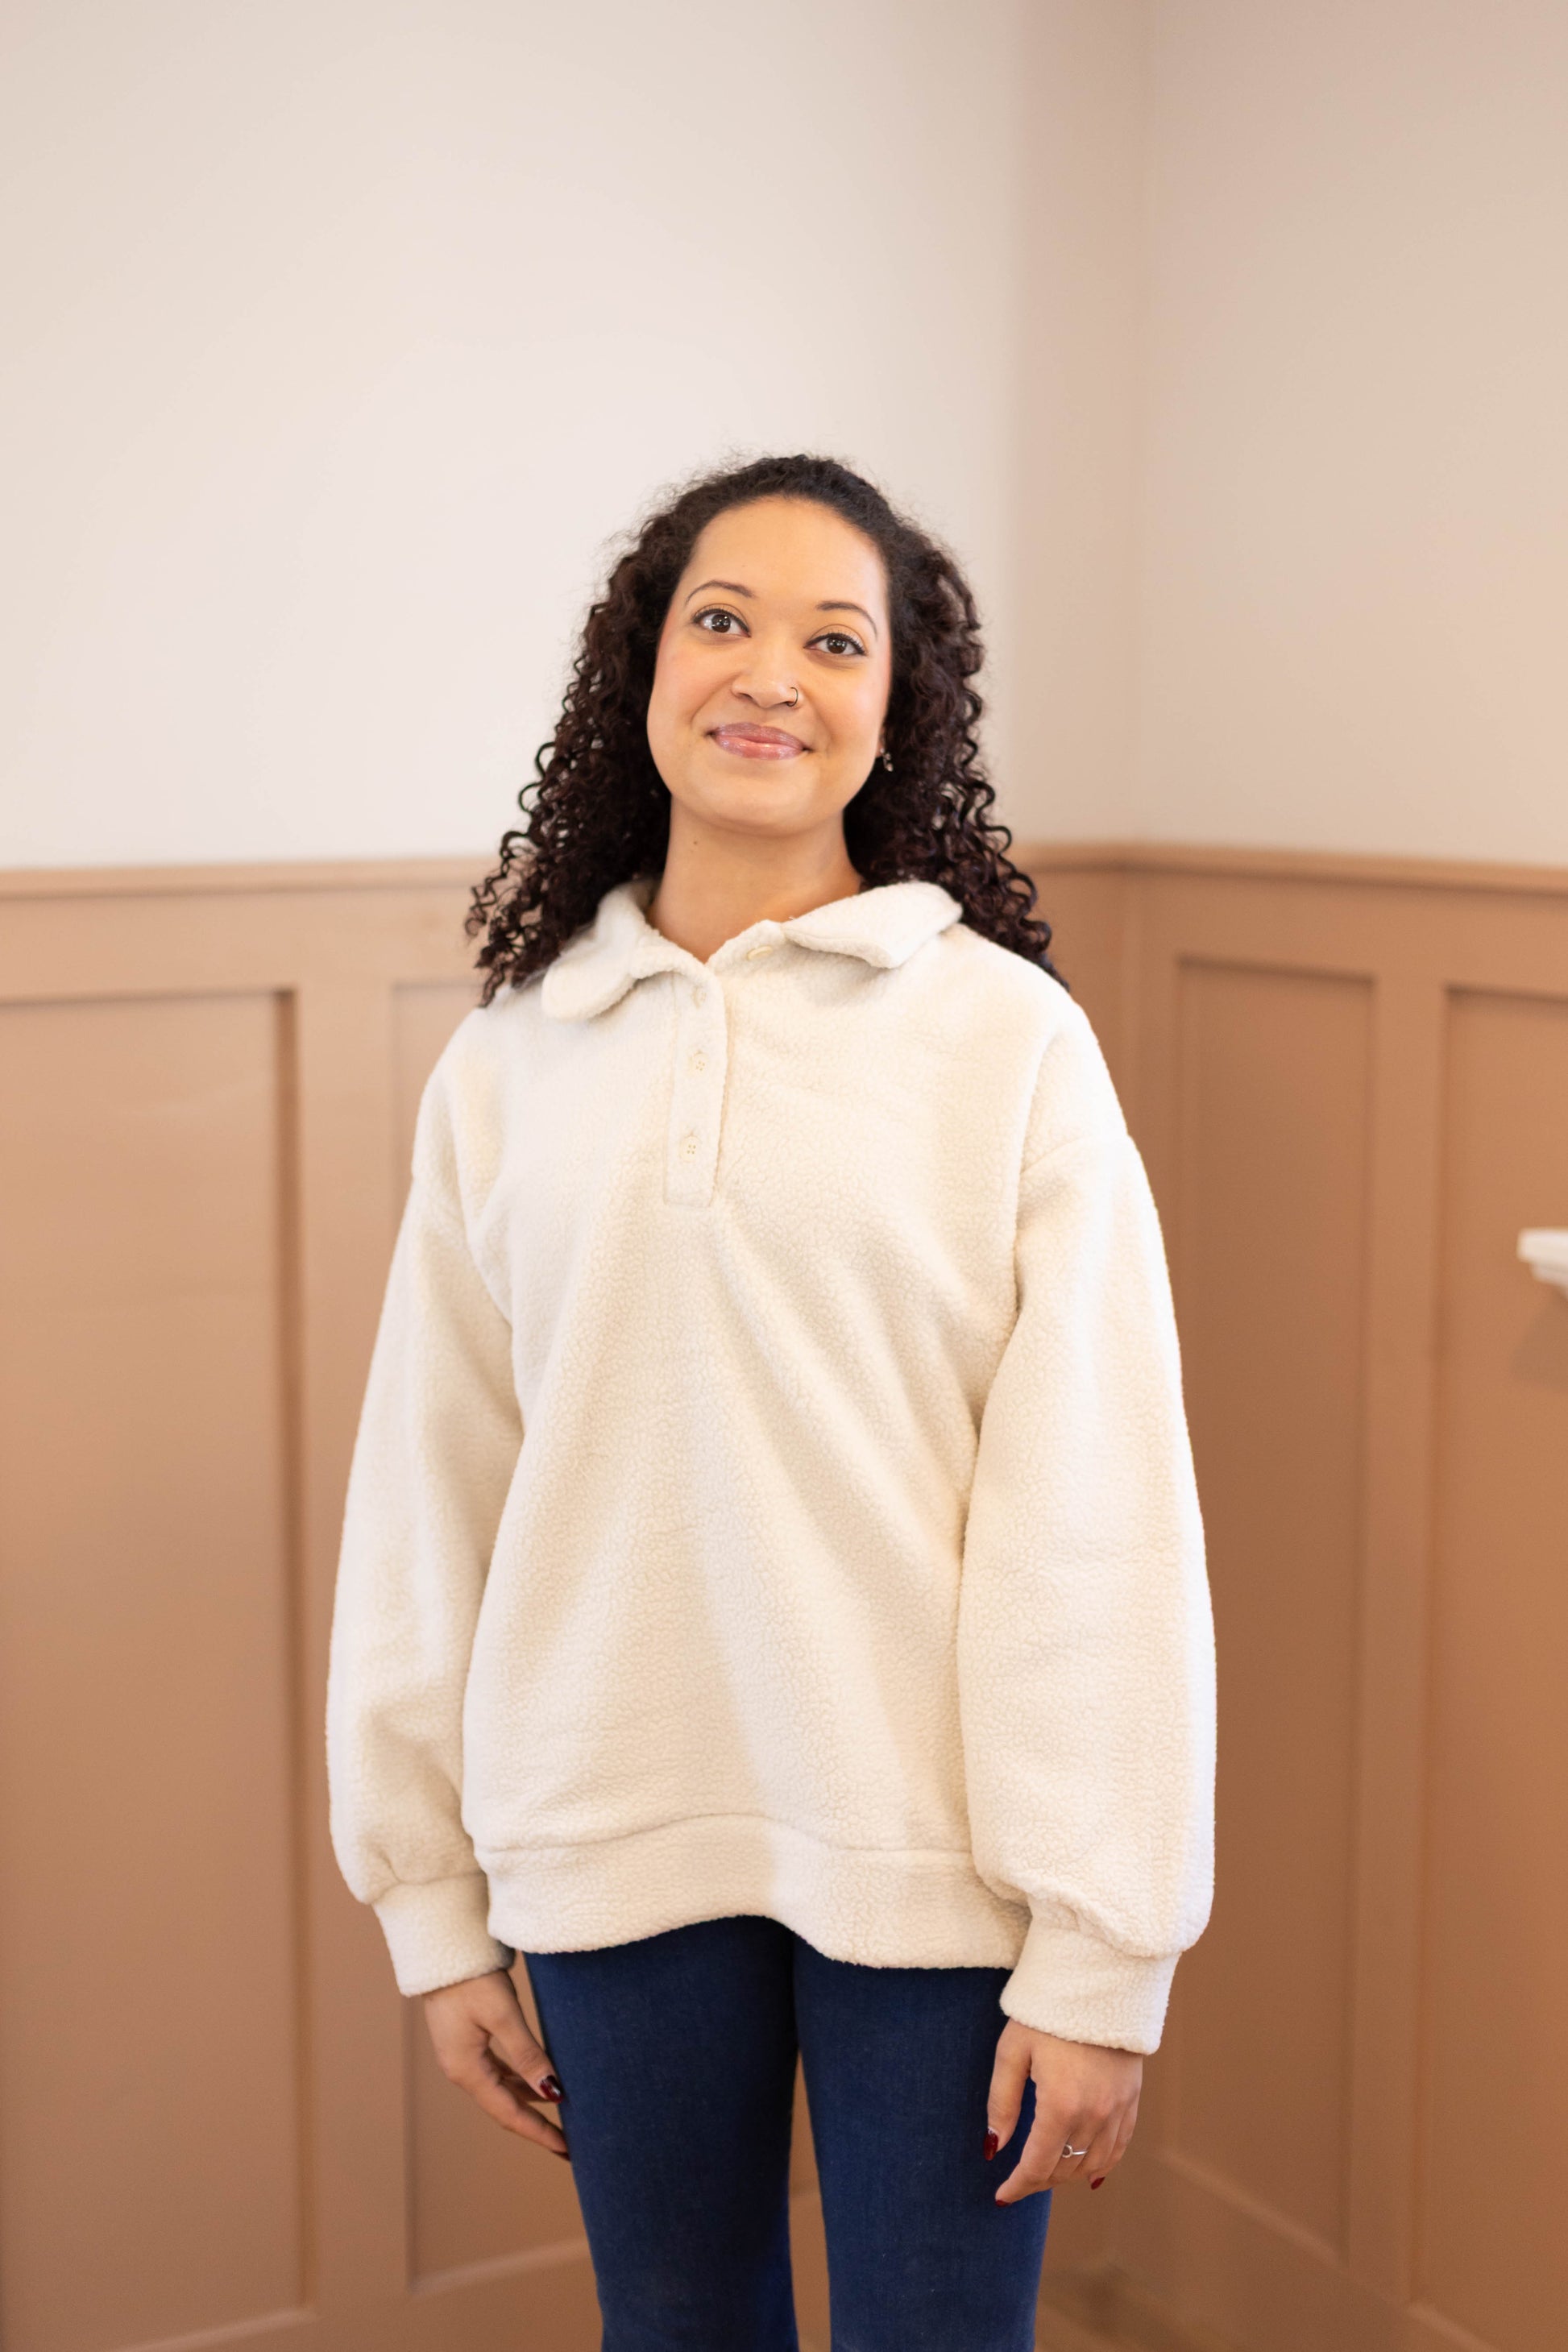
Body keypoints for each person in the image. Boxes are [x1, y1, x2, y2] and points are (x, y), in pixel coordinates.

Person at [325, 453, 1215, 2351]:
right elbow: (431, 1486)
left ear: (896, 706)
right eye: (722, 619)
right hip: (601, 1835)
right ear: (640, 664)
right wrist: (431, 1895)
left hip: (937, 1866)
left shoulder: (1006, 1043)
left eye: (835, 637)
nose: (770, 674)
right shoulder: (511, 1059)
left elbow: (1097, 1511)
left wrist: (1101, 1944)